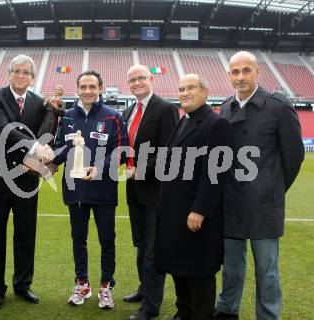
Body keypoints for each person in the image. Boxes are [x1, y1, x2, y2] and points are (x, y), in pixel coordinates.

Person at [214, 51, 304, 320]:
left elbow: (294, 156)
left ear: (258, 72)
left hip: (263, 203)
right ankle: (227, 309)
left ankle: (267, 315)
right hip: (230, 201)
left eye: (246, 71)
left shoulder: (278, 105)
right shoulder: (226, 105)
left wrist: (272, 188)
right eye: (235, 72)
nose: (240, 77)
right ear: (229, 75)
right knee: (231, 265)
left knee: (267, 269)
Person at [154, 74, 233, 320]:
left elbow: (215, 174)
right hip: (174, 212)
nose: (184, 93)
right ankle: (183, 313)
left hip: (195, 215)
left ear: (205, 91)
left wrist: (200, 209)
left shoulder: (216, 124)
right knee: (179, 268)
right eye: (181, 89)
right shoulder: (184, 120)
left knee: (198, 274)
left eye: (191, 88)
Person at [49, 70, 129, 309]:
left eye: (92, 87)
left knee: (107, 240)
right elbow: (62, 147)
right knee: (78, 239)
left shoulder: (113, 116)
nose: (87, 91)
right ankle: (82, 283)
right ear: (77, 89)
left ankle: (106, 286)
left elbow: (123, 150)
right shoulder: (67, 116)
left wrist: (99, 168)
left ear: (100, 88)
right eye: (83, 87)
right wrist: (50, 161)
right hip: (75, 190)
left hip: (103, 189)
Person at [0, 54, 57, 310]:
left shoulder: (39, 102)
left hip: (27, 179)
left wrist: (56, 110)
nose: (21, 76)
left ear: (32, 77)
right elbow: (3, 129)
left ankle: (23, 284)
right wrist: (35, 146)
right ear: (9, 73)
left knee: (26, 234)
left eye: (26, 72)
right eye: (17, 71)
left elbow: (49, 129)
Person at [123, 65, 179, 320]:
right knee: (141, 245)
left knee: (152, 251)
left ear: (151, 79)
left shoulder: (165, 108)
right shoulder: (128, 110)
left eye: (141, 78)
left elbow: (171, 151)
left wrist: (141, 170)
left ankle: (151, 306)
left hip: (156, 191)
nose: (136, 83)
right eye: (132, 80)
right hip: (134, 190)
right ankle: (144, 290)